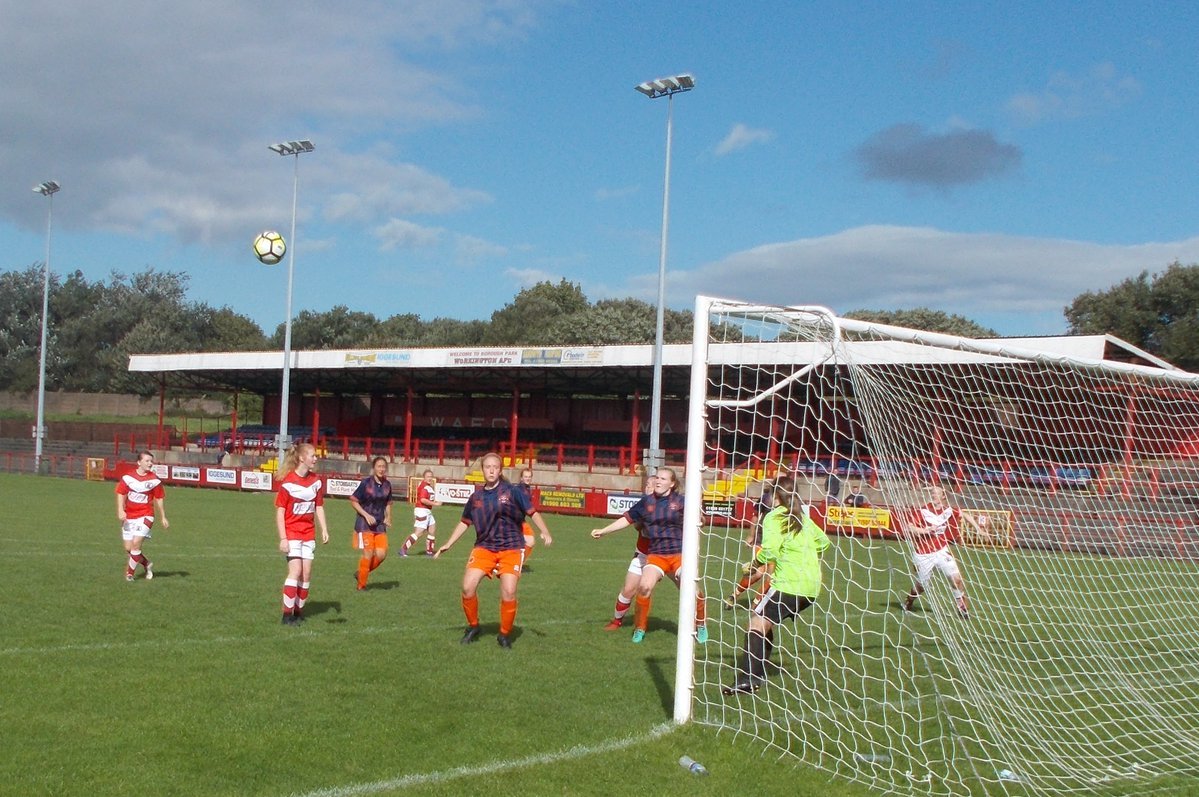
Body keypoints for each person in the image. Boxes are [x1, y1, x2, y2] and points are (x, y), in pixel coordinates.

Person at [723, 476, 830, 695]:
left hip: (788, 584)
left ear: (776, 495)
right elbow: (824, 543)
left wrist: (753, 565)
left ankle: (748, 679)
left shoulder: (773, 517)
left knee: (755, 624)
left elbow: (769, 552)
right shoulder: (803, 517)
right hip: (811, 588)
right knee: (763, 620)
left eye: (770, 494)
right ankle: (757, 670)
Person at [434, 452, 553, 648]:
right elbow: (465, 522)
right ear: (482, 470)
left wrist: (545, 531)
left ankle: (504, 635)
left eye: (495, 467)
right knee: (467, 587)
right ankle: (473, 626)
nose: (491, 470)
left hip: (511, 547)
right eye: (487, 467)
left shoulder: (512, 491)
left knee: (509, 592)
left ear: (500, 470)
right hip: (485, 547)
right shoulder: (476, 497)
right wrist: (448, 543)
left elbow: (533, 512)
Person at [590, 466, 709, 644]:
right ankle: (640, 628)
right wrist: (604, 530)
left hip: (680, 554)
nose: (658, 481)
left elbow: (702, 520)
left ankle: (700, 624)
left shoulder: (682, 501)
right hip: (656, 555)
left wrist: (701, 519)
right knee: (644, 587)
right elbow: (627, 519)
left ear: (672, 483)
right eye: (657, 478)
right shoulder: (646, 502)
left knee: (693, 590)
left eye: (663, 479)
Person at [900, 485, 986, 619]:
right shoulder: (924, 511)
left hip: (941, 550)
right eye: (932, 493)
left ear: (943, 496)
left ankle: (962, 608)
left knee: (956, 579)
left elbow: (965, 515)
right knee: (921, 586)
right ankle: (910, 600)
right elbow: (909, 527)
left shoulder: (949, 511)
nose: (933, 495)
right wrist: (925, 530)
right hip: (923, 553)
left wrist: (978, 529)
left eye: (936, 493)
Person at [276, 442, 330, 625]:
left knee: (306, 574)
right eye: (313, 455)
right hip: (292, 533)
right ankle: (286, 615)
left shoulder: (316, 481)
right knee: (296, 570)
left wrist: (324, 528)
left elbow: (319, 506)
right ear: (301, 458)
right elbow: (280, 511)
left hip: (308, 533)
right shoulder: (288, 483)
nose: (316, 458)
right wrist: (283, 538)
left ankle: (298, 613)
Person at [602, 477, 655, 630]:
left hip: (666, 554)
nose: (649, 488)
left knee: (687, 588)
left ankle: (698, 623)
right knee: (629, 589)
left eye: (652, 485)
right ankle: (617, 622)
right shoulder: (644, 504)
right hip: (643, 553)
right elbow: (635, 525)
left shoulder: (667, 504)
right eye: (647, 485)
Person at [114, 450, 169, 581]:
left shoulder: (154, 480)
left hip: (146, 515)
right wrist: (121, 510)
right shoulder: (128, 477)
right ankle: (146, 564)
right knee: (129, 548)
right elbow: (120, 493)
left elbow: (159, 498)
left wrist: (163, 517)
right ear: (139, 462)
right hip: (129, 516)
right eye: (147, 461)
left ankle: (129, 574)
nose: (150, 463)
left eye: (151, 461)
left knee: (136, 544)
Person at [350, 456, 393, 590]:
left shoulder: (387, 485)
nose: (381, 469)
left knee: (381, 554)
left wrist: (388, 517)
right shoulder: (366, 483)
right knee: (368, 554)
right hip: (364, 524)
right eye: (379, 466)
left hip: (379, 524)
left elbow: (388, 503)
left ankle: (361, 573)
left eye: (383, 466)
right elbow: (353, 500)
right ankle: (361, 585)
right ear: (374, 468)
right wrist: (366, 514)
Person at [401, 469, 441, 557]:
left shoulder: (428, 486)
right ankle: (403, 549)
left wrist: (434, 501)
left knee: (432, 530)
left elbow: (427, 498)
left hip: (427, 511)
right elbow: (423, 500)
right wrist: (435, 504)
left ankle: (429, 552)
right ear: (424, 477)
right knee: (419, 532)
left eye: (431, 476)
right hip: (422, 511)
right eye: (428, 477)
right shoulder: (424, 487)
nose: (430, 478)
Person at [516, 467, 538, 569]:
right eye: (525, 477)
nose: (527, 479)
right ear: (521, 478)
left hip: (521, 520)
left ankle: (517, 563)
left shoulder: (527, 489)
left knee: (530, 541)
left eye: (529, 477)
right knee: (529, 540)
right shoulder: (520, 490)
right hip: (514, 521)